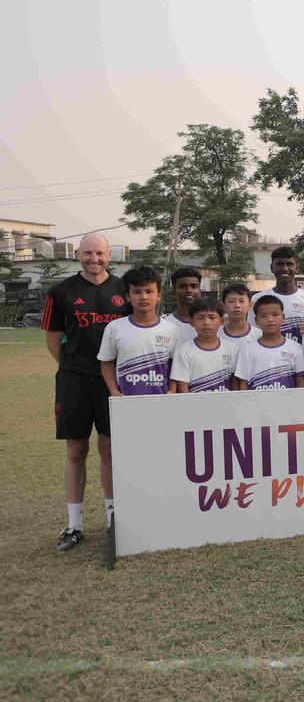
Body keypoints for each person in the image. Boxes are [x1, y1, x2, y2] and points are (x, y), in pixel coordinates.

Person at [41, 233, 129, 550]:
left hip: (112, 382)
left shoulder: (123, 289)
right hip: (74, 381)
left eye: (100, 253)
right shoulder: (62, 292)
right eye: (88, 253)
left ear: (110, 255)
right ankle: (74, 526)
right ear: (78, 254)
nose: (94, 259)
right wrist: (72, 367)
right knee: (76, 452)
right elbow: (53, 338)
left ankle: (112, 518)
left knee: (109, 450)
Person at [97, 266, 179, 400]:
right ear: (128, 296)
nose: (144, 297)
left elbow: (176, 365)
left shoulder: (171, 329)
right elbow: (106, 362)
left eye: (149, 291)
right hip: (127, 401)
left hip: (161, 401)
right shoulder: (115, 327)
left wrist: (171, 390)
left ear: (159, 295)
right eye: (137, 292)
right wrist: (113, 390)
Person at [231, 296, 304, 390]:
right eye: (263, 316)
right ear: (256, 320)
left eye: (275, 315)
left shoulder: (296, 348)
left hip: (288, 403)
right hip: (257, 403)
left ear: (283, 317)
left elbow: (300, 379)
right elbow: (243, 382)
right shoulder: (247, 349)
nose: (270, 319)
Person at [250, 246, 304, 343]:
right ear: (271, 268)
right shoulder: (257, 299)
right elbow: (253, 334)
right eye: (279, 264)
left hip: (301, 357)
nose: (285, 269)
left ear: (297, 268)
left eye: (289, 264)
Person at [169, 298, 239, 393]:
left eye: (212, 317)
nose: (206, 323)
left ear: (221, 321)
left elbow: (235, 381)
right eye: (200, 318)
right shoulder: (183, 351)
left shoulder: (232, 349)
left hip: (227, 405)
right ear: (192, 322)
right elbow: (182, 386)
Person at [164, 266, 202, 344]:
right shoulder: (165, 325)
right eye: (183, 287)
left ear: (200, 291)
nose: (189, 290)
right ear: (174, 292)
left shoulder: (213, 324)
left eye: (194, 286)